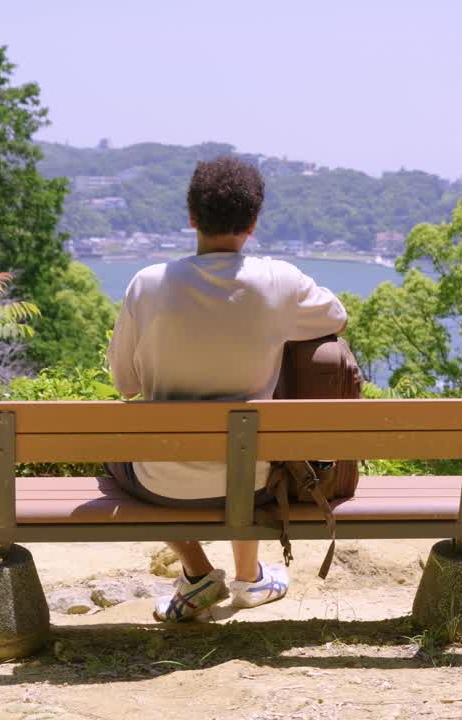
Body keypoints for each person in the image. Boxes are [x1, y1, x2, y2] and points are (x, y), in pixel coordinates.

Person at [105, 156, 348, 622]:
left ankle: (197, 572)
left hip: (160, 484)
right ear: (253, 223)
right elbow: (335, 316)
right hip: (252, 482)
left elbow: (125, 384)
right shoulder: (280, 280)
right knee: (246, 441)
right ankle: (250, 577)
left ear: (192, 217)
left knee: (123, 442)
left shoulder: (147, 284)